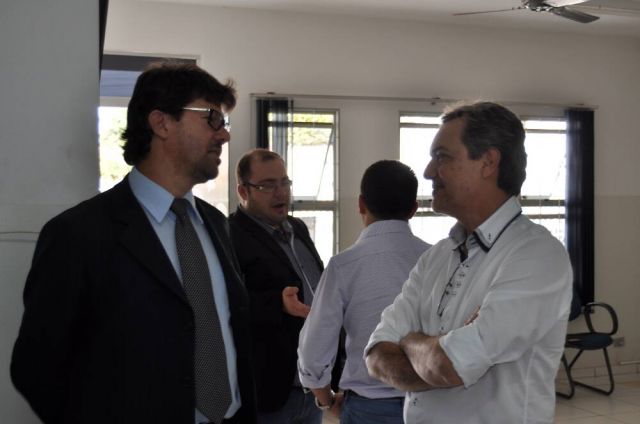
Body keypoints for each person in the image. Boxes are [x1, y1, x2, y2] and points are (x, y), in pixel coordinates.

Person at [11, 62, 256, 424]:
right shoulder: (78, 234)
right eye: (212, 118)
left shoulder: (217, 224)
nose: (224, 135)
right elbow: (36, 368)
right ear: (161, 123)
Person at [365, 101, 573, 424]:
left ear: (488, 162)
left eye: (442, 157)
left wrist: (409, 341)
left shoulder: (537, 255)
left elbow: (448, 366)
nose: (428, 172)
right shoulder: (436, 257)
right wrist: (440, 353)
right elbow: (377, 354)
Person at [297, 160, 431, 423]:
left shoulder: (343, 265)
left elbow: (314, 348)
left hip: (368, 409)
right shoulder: (437, 259)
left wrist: (326, 400)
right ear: (413, 209)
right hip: (432, 404)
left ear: (361, 203)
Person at [228, 148, 328, 424]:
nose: (280, 193)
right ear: (244, 191)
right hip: (270, 390)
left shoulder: (298, 228)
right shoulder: (230, 235)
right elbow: (227, 305)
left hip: (312, 383)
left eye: (285, 182)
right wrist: (277, 304)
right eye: (267, 185)